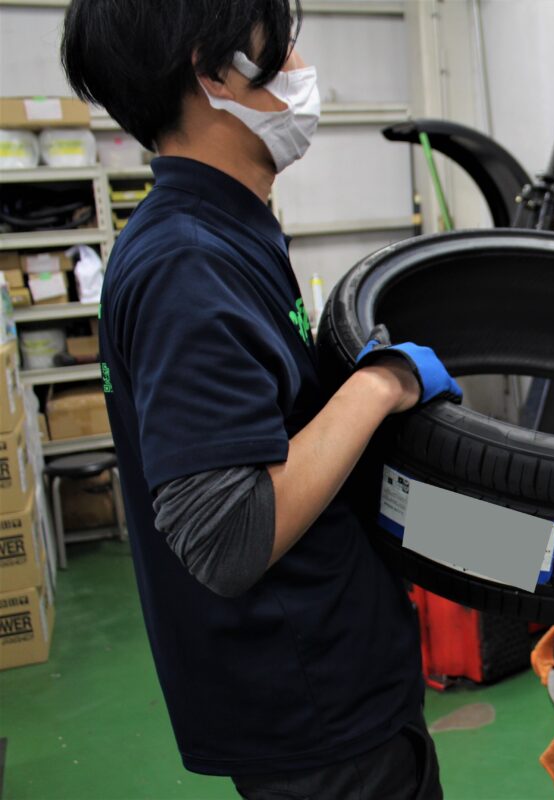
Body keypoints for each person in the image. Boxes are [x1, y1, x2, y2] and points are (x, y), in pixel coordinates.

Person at [61, 2, 455, 797]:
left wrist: (541, 560)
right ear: (214, 72)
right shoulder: (186, 263)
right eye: (281, 47)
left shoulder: (224, 229)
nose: (302, 68)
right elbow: (229, 535)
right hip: (316, 716)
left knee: (553, 554)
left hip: (336, 674)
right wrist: (381, 384)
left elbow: (297, 451)